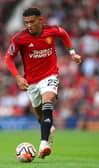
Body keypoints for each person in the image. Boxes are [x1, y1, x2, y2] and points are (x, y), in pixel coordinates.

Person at [5, 7, 82, 158]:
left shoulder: (51, 30)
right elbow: (8, 58)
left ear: (40, 20)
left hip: (50, 75)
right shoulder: (19, 38)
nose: (28, 25)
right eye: (26, 22)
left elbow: (64, 34)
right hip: (31, 81)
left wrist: (72, 52)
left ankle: (43, 144)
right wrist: (18, 77)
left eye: (32, 22)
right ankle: (48, 128)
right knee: (40, 114)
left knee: (48, 100)